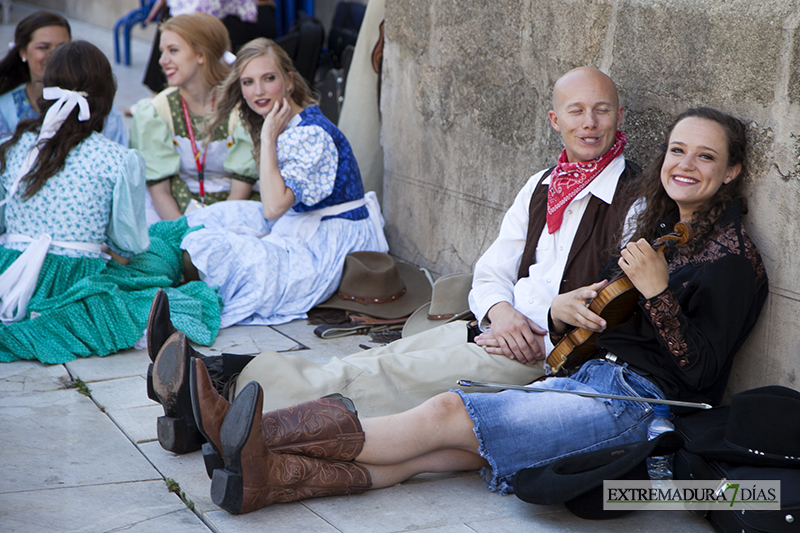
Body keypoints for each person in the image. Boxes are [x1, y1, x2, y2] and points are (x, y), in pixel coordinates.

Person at [180, 105, 768, 514]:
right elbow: (611, 320)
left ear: (732, 171)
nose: (684, 164)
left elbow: (701, 372)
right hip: (589, 374)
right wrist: (567, 308)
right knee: (429, 456)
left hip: (634, 406)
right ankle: (263, 480)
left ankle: (253, 437)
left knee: (442, 413)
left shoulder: (733, 263)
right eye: (677, 149)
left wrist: (658, 292)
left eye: (706, 157)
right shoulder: (668, 230)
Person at [146, 66, 641, 434]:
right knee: (364, 364)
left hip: (545, 354)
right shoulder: (541, 185)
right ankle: (213, 388)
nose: (590, 123)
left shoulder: (633, 201)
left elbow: (607, 301)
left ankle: (216, 394)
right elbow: (491, 269)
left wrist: (529, 316)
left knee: (383, 375)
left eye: (601, 110)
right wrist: (501, 310)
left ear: (618, 115)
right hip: (497, 328)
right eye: (576, 110)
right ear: (556, 120)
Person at [0, 41, 221, 364]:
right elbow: (128, 245)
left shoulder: (14, 147)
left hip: (11, 273)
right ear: (105, 98)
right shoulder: (117, 159)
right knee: (161, 251)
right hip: (77, 281)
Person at [129, 12, 258, 223]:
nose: (162, 61)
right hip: (174, 212)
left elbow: (241, 188)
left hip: (234, 212)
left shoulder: (239, 108)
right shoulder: (156, 111)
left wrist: (218, 231)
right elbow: (160, 191)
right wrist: (185, 234)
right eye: (162, 52)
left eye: (173, 51)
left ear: (201, 55)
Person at [0, 10, 128, 145]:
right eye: (44, 47)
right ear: (23, 52)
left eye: (63, 48)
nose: (54, 55)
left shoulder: (96, 104)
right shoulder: (4, 106)